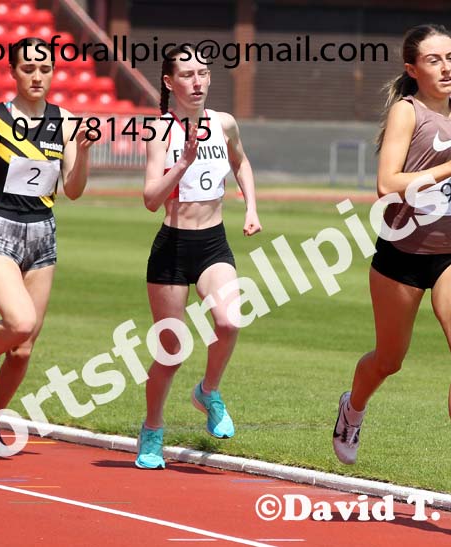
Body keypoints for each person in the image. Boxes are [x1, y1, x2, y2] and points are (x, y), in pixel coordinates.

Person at [331, 24, 451, 502]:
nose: (446, 68)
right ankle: (352, 408)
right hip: (403, 253)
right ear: (412, 68)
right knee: (389, 360)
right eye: (433, 60)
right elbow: (386, 183)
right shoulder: (406, 112)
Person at [0, 36, 94, 454]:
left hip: (43, 235)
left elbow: (74, 190)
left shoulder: (66, 122)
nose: (37, 76)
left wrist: (83, 151)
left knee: (24, 348)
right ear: (13, 72)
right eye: (28, 68)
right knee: (19, 323)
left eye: (45, 69)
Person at [135, 46, 261, 469]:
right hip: (172, 249)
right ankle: (152, 430)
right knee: (170, 351)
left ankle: (208, 391)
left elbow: (241, 162)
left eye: (203, 73)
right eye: (187, 74)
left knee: (229, 321)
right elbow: (150, 199)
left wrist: (251, 207)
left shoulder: (224, 123)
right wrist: (183, 163)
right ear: (169, 82)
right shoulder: (159, 131)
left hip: (212, 244)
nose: (197, 81)